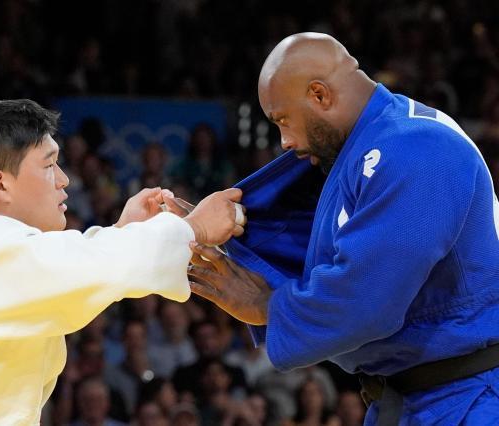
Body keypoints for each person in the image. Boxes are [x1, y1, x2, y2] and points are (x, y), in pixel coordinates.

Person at [0, 99, 244, 424]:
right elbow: (74, 265)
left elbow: (57, 271)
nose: (64, 180)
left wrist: (123, 231)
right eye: (49, 165)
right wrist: (195, 229)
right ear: (0, 184)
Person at [187, 33, 499, 424]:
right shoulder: (363, 149)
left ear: (319, 95)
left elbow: (367, 301)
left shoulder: (416, 147)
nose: (284, 141)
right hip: (411, 398)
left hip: (465, 399)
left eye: (283, 120)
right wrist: (204, 231)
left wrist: (269, 306)